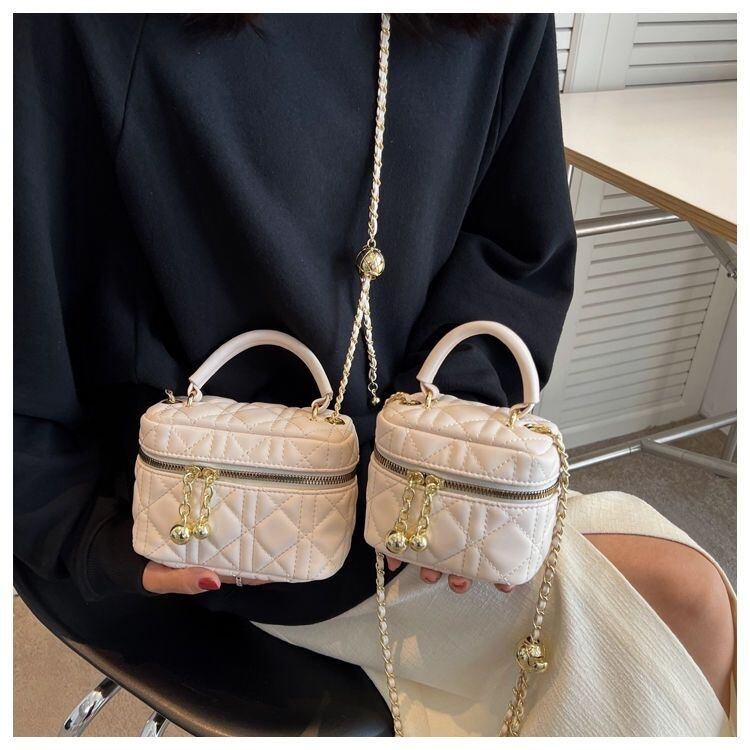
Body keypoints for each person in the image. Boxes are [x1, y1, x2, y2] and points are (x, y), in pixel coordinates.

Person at [14, 12, 735, 735]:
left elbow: (514, 240)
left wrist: (451, 444)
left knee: (696, 597)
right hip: (221, 522)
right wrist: (83, 532)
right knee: (684, 604)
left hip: (417, 494)